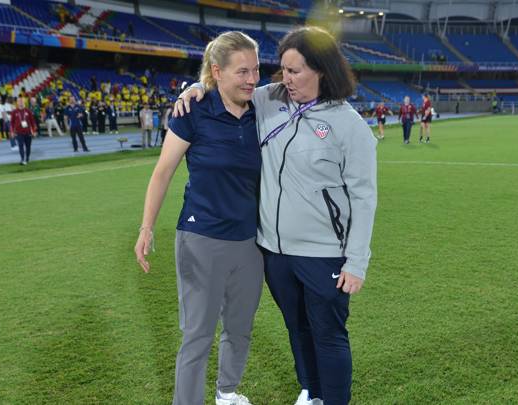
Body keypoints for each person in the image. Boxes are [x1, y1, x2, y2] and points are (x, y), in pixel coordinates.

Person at [176, 26, 377, 405]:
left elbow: (365, 197)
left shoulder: (350, 126)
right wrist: (195, 86)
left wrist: (357, 261)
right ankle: (312, 392)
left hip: (324, 253)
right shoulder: (269, 99)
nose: (286, 79)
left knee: (329, 334)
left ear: (321, 70)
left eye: (295, 71)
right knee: (297, 328)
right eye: (283, 70)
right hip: (274, 251)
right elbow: (225, 85)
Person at [135, 31, 263, 405]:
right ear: (217, 71)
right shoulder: (194, 111)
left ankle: (227, 393)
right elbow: (162, 173)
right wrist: (146, 227)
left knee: (239, 329)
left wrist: (194, 84)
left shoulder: (263, 108)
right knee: (198, 335)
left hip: (251, 243)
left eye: (255, 70)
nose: (252, 79)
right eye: (242, 72)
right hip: (201, 239)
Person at [9, 97, 37, 165]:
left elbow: (32, 122)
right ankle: (22, 159)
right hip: (19, 132)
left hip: (28, 132)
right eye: (19, 101)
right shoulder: (14, 112)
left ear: (24, 102)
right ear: (17, 103)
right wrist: (12, 132)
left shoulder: (28, 111)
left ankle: (27, 158)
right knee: (20, 146)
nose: (20, 103)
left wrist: (34, 131)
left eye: (22, 101)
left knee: (28, 146)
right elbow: (12, 123)